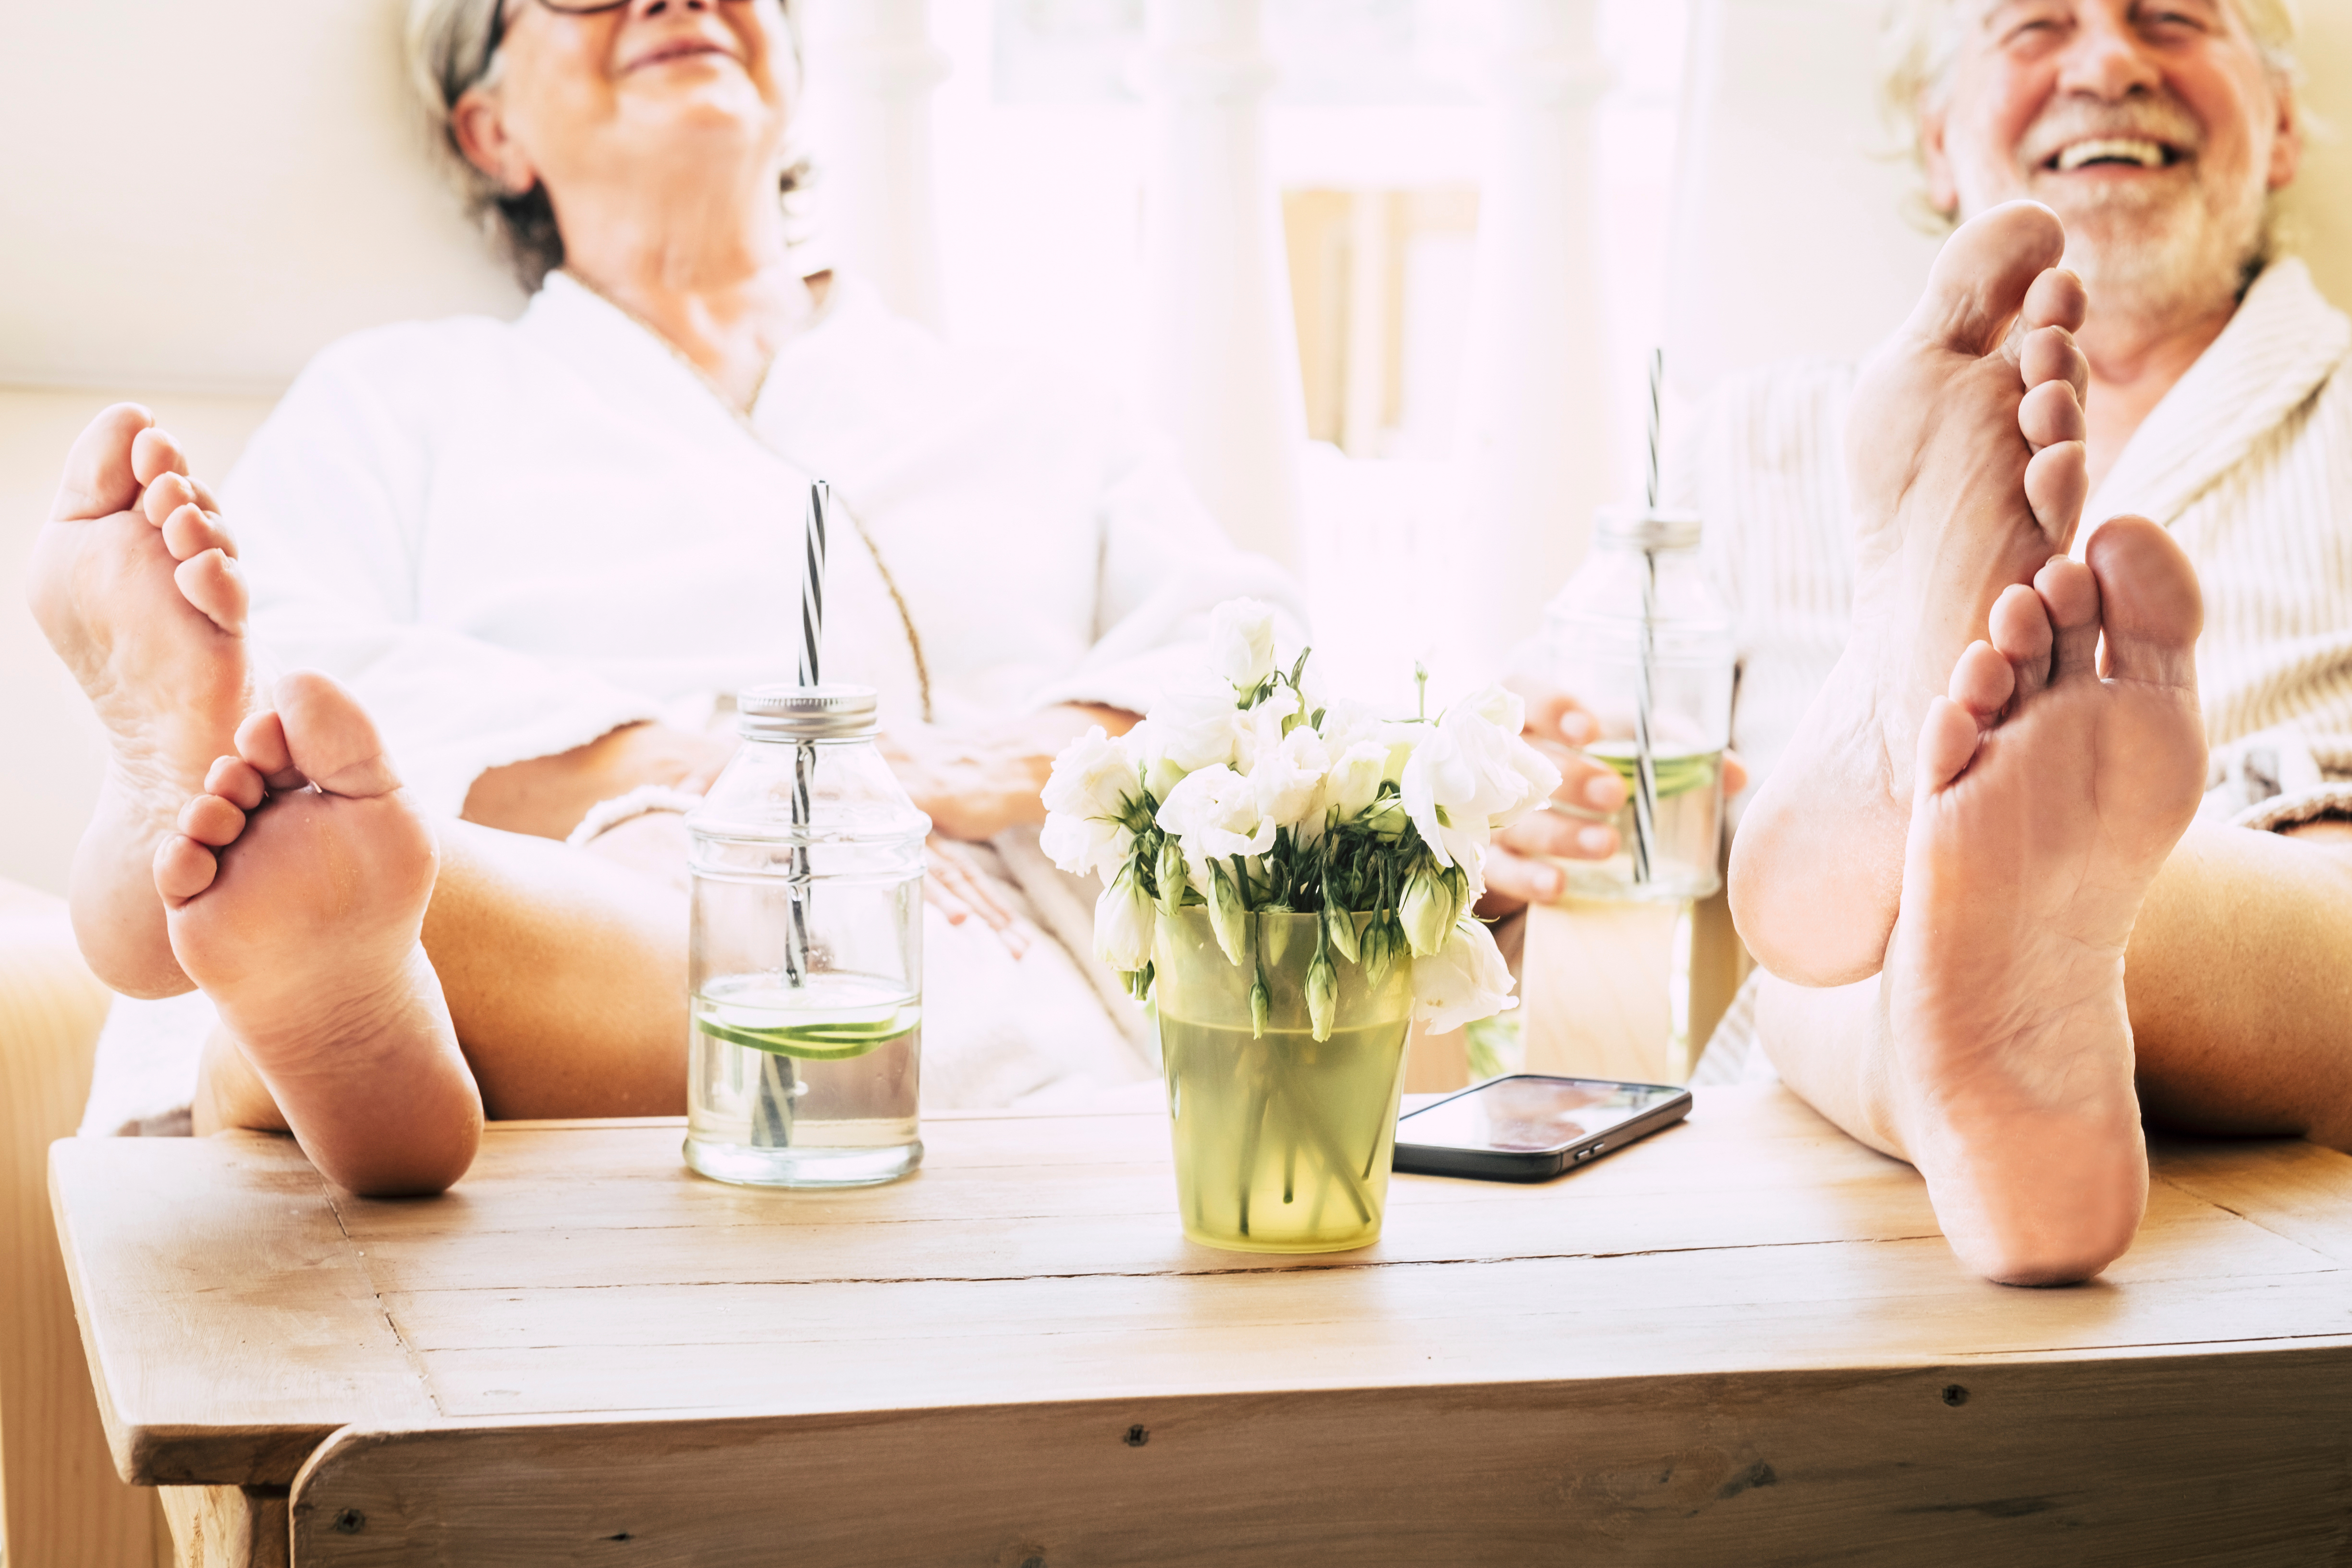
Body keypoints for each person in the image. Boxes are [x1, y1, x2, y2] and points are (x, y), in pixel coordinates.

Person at [26, 0, 1333, 1191]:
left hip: (924, 974)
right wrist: (721, 773)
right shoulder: (401, 399)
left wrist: (1001, 763)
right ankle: (315, 982)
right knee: (340, 843)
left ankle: (303, 994)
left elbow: (1256, 683)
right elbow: (312, 664)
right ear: (490, 129)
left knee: (374, 906)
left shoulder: (1032, 408)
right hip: (582, 899)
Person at [1493, 0, 2352, 1287]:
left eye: (2173, 18)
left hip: (2290, 974)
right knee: (1867, 933)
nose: (2111, 62)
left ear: (2283, 127)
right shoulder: (1763, 440)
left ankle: (1936, 880)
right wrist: (1509, 807)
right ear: (1936, 137)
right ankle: (1955, 954)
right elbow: (1542, 774)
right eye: (2034, 27)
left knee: (1867, 923)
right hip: (1818, 1143)